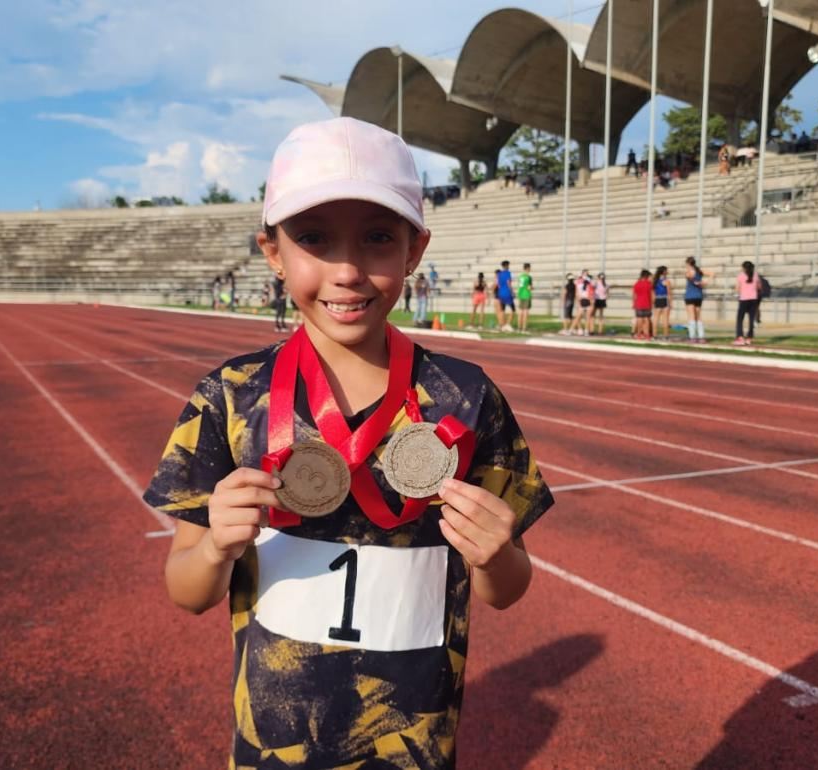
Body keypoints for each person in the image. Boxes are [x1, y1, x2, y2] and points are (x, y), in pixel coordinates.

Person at [145, 117, 554, 769]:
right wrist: (219, 546)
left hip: (413, 745)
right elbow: (187, 591)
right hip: (273, 746)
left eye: (377, 239)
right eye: (313, 239)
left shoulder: (466, 398)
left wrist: (495, 553)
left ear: (414, 249)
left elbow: (506, 589)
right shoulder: (228, 397)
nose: (347, 271)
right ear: (272, 251)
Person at [683, 257, 714, 343]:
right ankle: (701, 337)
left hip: (690, 295)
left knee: (691, 316)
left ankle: (692, 337)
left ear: (688, 264)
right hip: (698, 295)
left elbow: (689, 277)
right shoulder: (699, 271)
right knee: (698, 316)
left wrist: (699, 282)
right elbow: (712, 273)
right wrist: (705, 282)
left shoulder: (689, 271)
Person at [734, 261, 763, 345]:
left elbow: (737, 288)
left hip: (744, 299)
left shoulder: (741, 276)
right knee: (751, 319)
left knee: (740, 319)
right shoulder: (756, 275)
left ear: (744, 268)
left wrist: (739, 293)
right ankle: (749, 337)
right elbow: (759, 287)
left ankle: (740, 337)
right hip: (753, 299)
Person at [632, 269, 653, 340]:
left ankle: (639, 334)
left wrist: (634, 304)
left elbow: (634, 295)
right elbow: (651, 295)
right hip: (647, 304)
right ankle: (647, 335)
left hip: (638, 304)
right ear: (647, 276)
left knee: (639, 319)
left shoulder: (637, 284)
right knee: (647, 319)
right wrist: (652, 303)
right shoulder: (649, 284)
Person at [495, 260, 515, 332]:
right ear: (506, 265)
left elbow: (499, 285)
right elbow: (508, 283)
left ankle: (502, 325)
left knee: (502, 310)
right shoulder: (508, 273)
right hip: (507, 293)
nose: (509, 266)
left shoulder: (499, 274)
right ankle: (508, 325)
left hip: (501, 293)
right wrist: (512, 292)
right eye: (508, 265)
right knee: (513, 309)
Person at [516, 262, 534, 333]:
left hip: (520, 295)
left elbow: (520, 286)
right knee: (526, 312)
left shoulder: (521, 277)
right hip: (526, 295)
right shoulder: (528, 277)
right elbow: (529, 288)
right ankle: (524, 328)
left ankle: (518, 328)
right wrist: (532, 288)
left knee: (520, 312)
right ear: (528, 268)